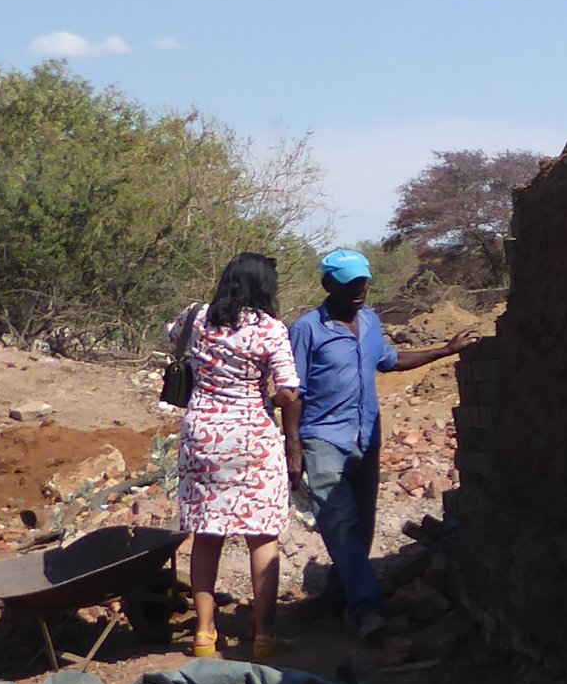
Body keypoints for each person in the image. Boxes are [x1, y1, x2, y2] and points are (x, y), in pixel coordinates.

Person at [288, 249, 474, 638]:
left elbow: (389, 360)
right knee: (340, 525)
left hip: (366, 436)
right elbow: (293, 392)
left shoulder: (370, 322)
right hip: (323, 440)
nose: (360, 291)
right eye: (350, 284)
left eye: (364, 283)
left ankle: (336, 602)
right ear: (327, 286)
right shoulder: (308, 329)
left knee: (363, 531)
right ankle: (367, 611)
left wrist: (445, 349)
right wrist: (293, 446)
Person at [170, 252, 302, 660]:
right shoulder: (270, 329)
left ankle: (204, 634)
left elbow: (171, 336)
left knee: (207, 535)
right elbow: (288, 391)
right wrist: (264, 393)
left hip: (202, 436)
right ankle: (263, 635)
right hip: (251, 438)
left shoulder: (196, 317)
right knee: (261, 534)